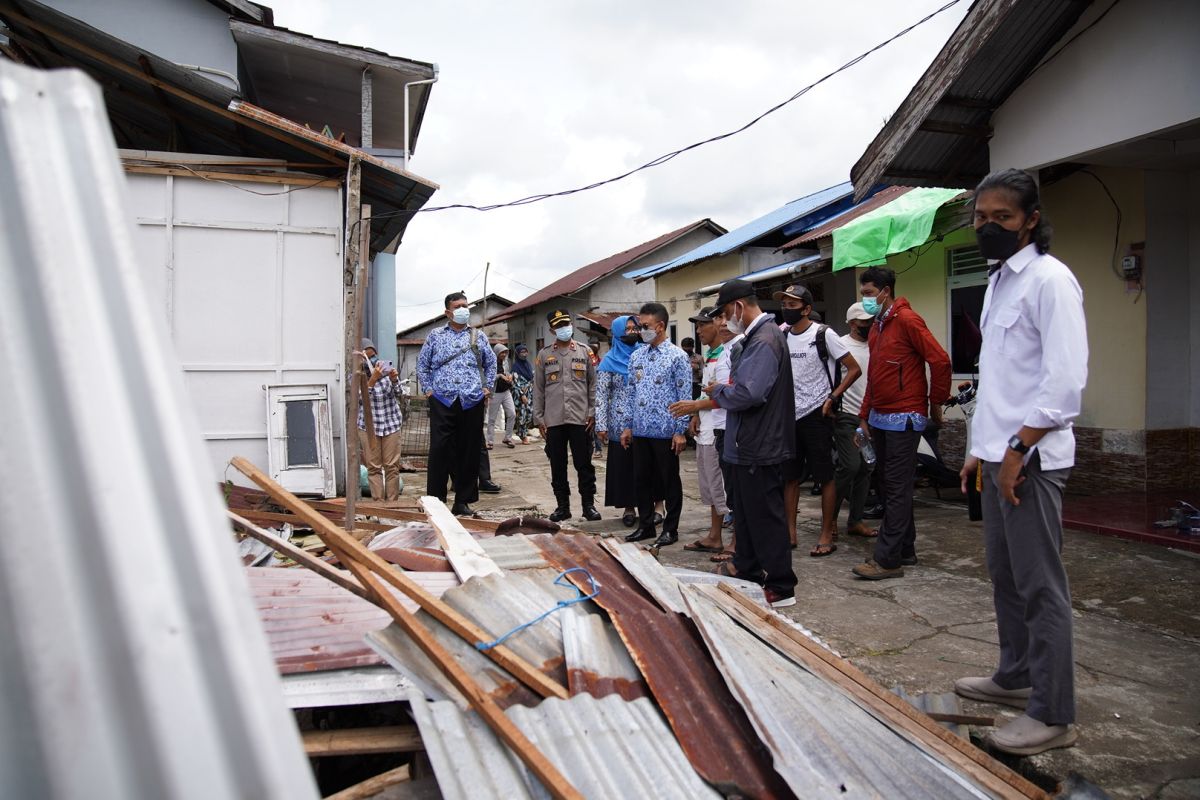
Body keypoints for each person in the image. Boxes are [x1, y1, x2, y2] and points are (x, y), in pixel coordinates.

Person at [954, 168, 1087, 756]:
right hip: (995, 455)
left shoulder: (1050, 281)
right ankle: (1015, 675)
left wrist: (1014, 451)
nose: (988, 226)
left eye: (1001, 217)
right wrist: (977, 452)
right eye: (981, 217)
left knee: (1040, 587)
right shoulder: (998, 282)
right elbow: (1000, 380)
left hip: (1030, 460)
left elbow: (1064, 384)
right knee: (1005, 578)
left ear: (1030, 219)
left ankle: (1053, 711)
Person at [852, 266, 951, 581]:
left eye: (869, 294)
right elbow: (875, 376)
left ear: (885, 290)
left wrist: (936, 403)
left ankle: (887, 559)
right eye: (863, 294)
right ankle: (905, 550)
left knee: (895, 487)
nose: (866, 299)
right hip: (880, 416)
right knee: (887, 484)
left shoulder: (907, 320)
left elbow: (940, 360)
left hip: (905, 416)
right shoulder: (878, 326)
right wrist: (864, 415)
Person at [707, 280, 797, 608]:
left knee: (765, 518)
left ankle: (781, 584)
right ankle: (746, 567)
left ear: (740, 308)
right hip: (747, 445)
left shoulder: (765, 340)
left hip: (761, 445)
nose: (724, 322)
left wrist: (718, 391)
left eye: (726, 313)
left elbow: (749, 393)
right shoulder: (757, 338)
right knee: (745, 514)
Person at [775, 284, 861, 558]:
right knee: (790, 477)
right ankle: (789, 533)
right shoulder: (783, 333)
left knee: (825, 476)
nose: (787, 309)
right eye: (784, 304)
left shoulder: (824, 334)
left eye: (792, 304)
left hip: (818, 414)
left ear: (807, 309)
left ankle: (826, 533)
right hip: (790, 415)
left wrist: (833, 397)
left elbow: (854, 368)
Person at [417, 292, 496, 516]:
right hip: (443, 399)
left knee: (469, 451)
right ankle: (436, 500)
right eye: (458, 306)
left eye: (465, 305)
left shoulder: (478, 336)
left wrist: (487, 387)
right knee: (440, 450)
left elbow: (490, 363)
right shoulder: (435, 336)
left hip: (471, 400)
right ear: (448, 312)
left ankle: (463, 500)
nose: (464, 309)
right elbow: (422, 365)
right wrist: (429, 390)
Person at [620, 302, 691, 547]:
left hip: (666, 431)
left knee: (669, 481)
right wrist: (627, 425)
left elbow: (685, 396)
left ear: (660, 326)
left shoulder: (678, 357)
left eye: (646, 326)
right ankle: (646, 525)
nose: (641, 331)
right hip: (640, 430)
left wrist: (680, 431)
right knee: (641, 480)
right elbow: (631, 392)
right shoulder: (637, 355)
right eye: (640, 326)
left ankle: (671, 529)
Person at [667, 307, 732, 555]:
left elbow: (728, 396)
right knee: (710, 486)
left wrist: (694, 406)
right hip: (707, 428)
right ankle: (714, 536)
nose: (699, 330)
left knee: (725, 488)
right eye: (697, 325)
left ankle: (735, 540)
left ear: (717, 323)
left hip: (721, 428)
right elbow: (708, 390)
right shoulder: (710, 355)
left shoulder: (727, 355)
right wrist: (696, 414)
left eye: (703, 324)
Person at [534, 309, 600, 522]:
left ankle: (588, 505)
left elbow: (593, 385)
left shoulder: (585, 352)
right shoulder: (544, 355)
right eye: (559, 326)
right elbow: (538, 389)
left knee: (584, 463)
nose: (564, 329)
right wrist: (539, 418)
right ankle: (563, 507)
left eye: (566, 324)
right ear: (553, 329)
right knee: (557, 464)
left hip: (580, 419)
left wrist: (592, 412)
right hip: (553, 420)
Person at [834, 302, 877, 539]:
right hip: (847, 416)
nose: (869, 325)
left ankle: (855, 521)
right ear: (852, 323)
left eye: (871, 321)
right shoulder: (840, 345)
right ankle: (829, 518)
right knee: (849, 466)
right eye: (864, 322)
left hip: (870, 418)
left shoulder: (877, 345)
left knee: (866, 467)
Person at [596, 315, 642, 526]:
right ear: (617, 333)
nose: (632, 332)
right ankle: (629, 507)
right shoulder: (608, 361)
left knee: (644, 464)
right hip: (618, 423)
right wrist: (601, 425)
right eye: (627, 329)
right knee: (624, 467)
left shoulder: (644, 355)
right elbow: (601, 395)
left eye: (635, 328)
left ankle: (650, 505)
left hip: (643, 421)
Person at [356, 338, 404, 501]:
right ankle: (378, 506)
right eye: (369, 358)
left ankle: (392, 504)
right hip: (369, 426)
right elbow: (360, 400)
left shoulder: (386, 372)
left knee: (392, 467)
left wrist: (394, 379)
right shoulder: (356, 376)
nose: (374, 361)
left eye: (374, 356)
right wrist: (373, 379)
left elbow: (399, 394)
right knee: (374, 467)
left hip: (391, 423)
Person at [487, 343, 517, 448]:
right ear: (496, 352)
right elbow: (488, 378)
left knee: (512, 414)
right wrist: (499, 376)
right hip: (495, 392)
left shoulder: (506, 362)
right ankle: (490, 441)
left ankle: (508, 438)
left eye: (505, 352)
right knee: (492, 418)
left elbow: (508, 373)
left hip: (506, 391)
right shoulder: (490, 363)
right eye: (501, 352)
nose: (504, 354)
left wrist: (510, 377)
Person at [511, 343, 535, 444]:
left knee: (529, 414)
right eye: (521, 352)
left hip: (529, 393)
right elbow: (515, 383)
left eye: (525, 352)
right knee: (522, 414)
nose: (524, 354)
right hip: (520, 394)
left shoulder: (528, 364)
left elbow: (532, 378)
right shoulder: (516, 367)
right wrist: (522, 395)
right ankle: (523, 435)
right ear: (517, 354)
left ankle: (523, 432)